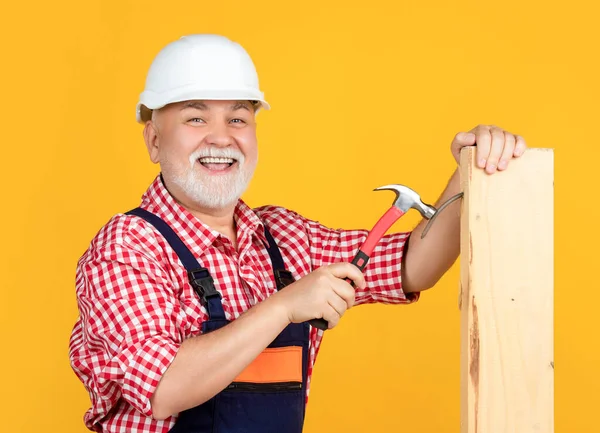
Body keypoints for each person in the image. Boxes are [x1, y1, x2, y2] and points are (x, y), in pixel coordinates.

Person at [68, 34, 528, 433]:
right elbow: (165, 388)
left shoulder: (284, 239)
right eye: (195, 118)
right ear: (153, 140)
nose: (222, 137)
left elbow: (413, 265)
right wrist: (286, 305)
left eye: (238, 118)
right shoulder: (127, 246)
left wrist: (468, 170)